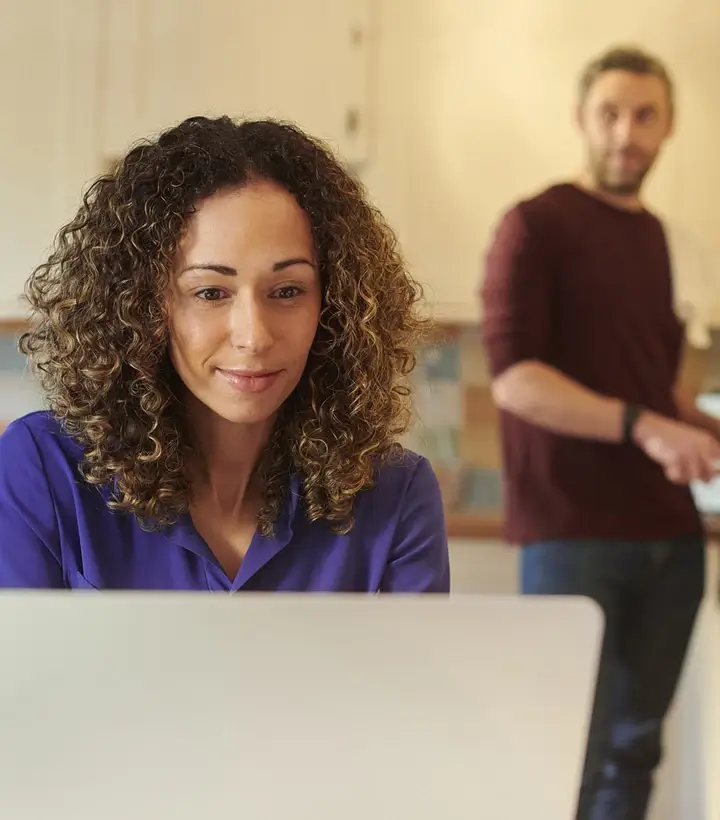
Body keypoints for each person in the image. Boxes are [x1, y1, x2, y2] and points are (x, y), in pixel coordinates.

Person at [0, 115, 449, 594]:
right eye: (211, 292)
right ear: (144, 304)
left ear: (334, 304)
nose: (253, 337)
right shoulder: (42, 470)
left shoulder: (397, 495)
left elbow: (412, 671)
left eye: (288, 290)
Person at [481, 46, 720, 820]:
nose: (627, 132)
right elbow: (516, 380)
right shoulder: (535, 225)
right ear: (582, 119)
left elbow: (651, 387)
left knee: (635, 751)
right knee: (565, 755)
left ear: (669, 126)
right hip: (571, 534)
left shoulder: (657, 239)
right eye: (610, 113)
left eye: (645, 115)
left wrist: (690, 419)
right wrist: (645, 426)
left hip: (671, 538)